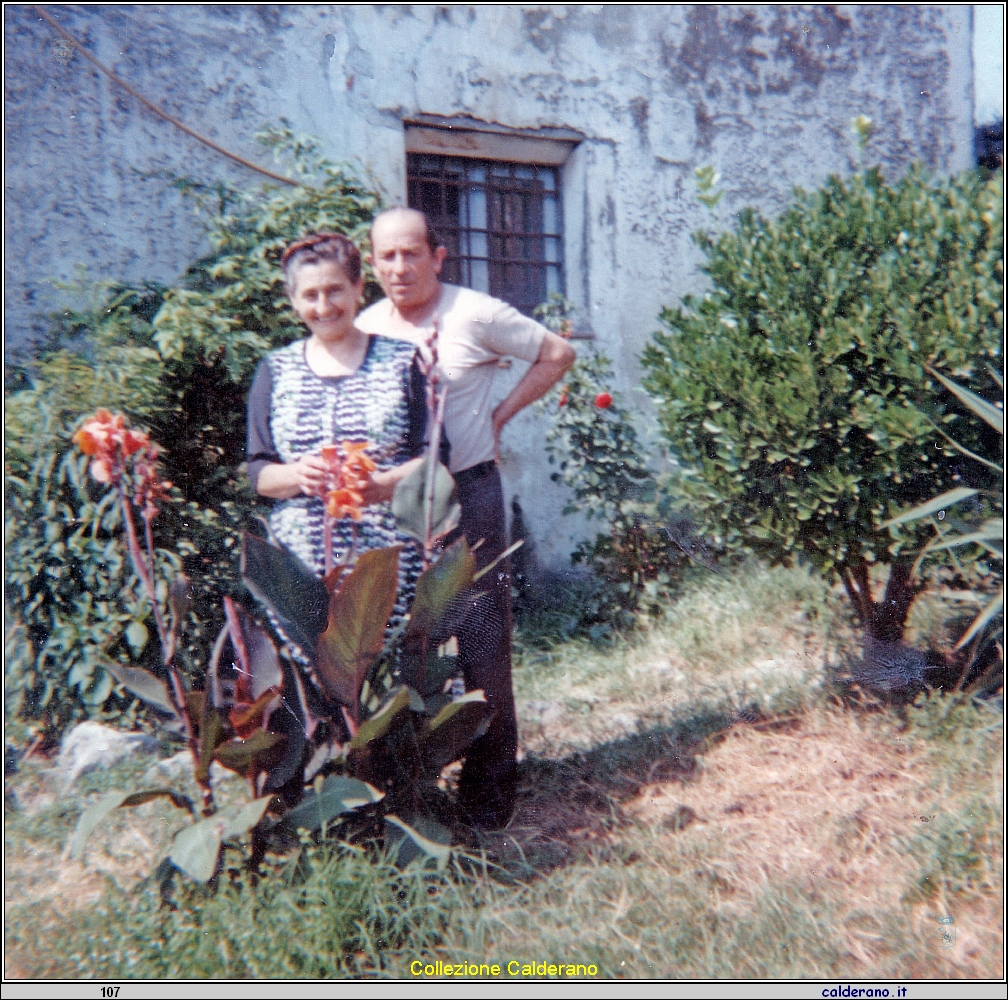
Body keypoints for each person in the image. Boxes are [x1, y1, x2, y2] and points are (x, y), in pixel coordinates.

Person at [356, 207, 576, 828]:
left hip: (469, 494)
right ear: (373, 263)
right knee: (405, 642)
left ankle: (489, 795)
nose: (399, 267)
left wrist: (499, 416)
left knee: (481, 644)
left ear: (437, 256)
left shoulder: (473, 313)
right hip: (396, 509)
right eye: (386, 256)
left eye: (410, 254)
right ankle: (409, 788)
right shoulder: (367, 325)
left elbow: (557, 354)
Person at [246, 231, 430, 625]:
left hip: (385, 561)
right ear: (293, 299)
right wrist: (297, 474)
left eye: (335, 290)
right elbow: (258, 472)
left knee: (380, 671)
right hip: (298, 567)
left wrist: (381, 485)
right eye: (310, 295)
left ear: (358, 289)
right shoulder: (275, 370)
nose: (324, 306)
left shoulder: (402, 361)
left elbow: (433, 459)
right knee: (307, 678)